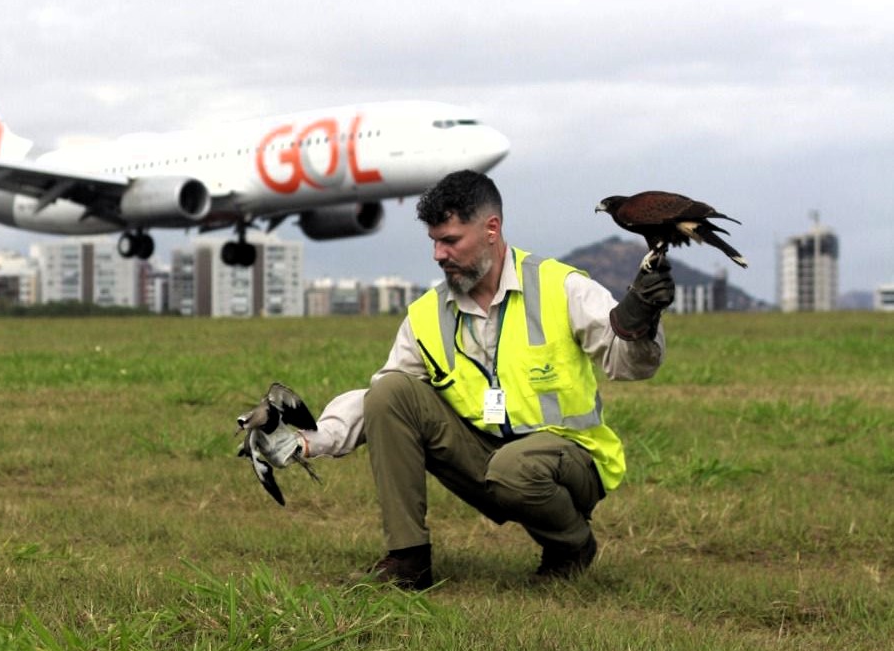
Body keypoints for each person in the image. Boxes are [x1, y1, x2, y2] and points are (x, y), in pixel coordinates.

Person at [257, 170, 673, 589]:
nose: (439, 254)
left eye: (451, 240)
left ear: (492, 229)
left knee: (514, 469)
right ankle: (408, 561)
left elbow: (630, 366)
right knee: (391, 392)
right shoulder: (426, 313)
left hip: (571, 461)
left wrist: (639, 325)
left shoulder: (561, 286)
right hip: (487, 458)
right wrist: (307, 440)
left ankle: (571, 546)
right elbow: (381, 398)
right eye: (434, 242)